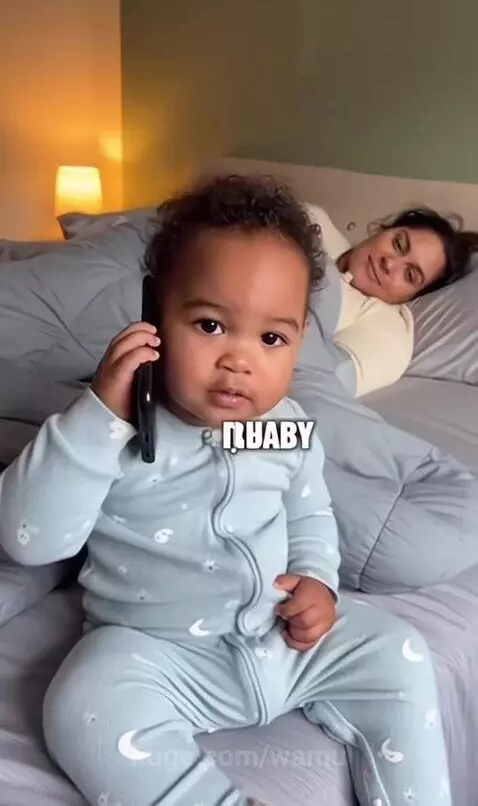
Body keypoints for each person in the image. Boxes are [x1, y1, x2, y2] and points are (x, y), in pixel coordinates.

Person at [0, 176, 451, 806]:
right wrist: (97, 417)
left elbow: (309, 508)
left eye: (272, 339)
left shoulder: (281, 425)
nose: (240, 360)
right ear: (155, 314)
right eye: (211, 325)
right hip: (158, 653)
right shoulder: (118, 425)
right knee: (82, 703)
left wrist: (318, 579)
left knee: (399, 650)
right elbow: (30, 537)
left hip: (284, 643)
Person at [307, 203, 478, 397]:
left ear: (414, 296)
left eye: (410, 275)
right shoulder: (313, 219)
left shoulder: (388, 332)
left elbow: (321, 385)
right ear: (384, 229)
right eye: (398, 244)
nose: (389, 263)